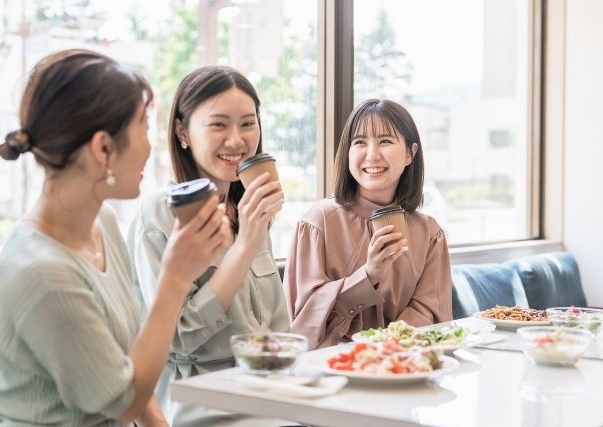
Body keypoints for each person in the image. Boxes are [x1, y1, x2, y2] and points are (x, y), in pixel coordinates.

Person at [0, 49, 232, 426]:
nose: (151, 146)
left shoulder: (103, 222)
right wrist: (176, 278)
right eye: (143, 128)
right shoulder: (43, 272)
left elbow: (131, 361)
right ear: (103, 148)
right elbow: (123, 401)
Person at [128, 65, 290, 426]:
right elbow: (179, 338)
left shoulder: (247, 207)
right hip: (200, 402)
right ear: (183, 131)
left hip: (269, 391)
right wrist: (245, 244)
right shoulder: (162, 212)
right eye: (219, 125)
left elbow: (277, 326)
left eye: (248, 123)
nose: (237, 140)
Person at [284, 98, 452, 350]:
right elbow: (303, 322)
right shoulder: (318, 222)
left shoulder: (429, 233)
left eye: (385, 141)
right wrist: (368, 276)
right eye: (360, 142)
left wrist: (386, 347)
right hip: (332, 371)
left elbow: (430, 313)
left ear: (410, 153)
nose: (372, 155)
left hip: (404, 368)